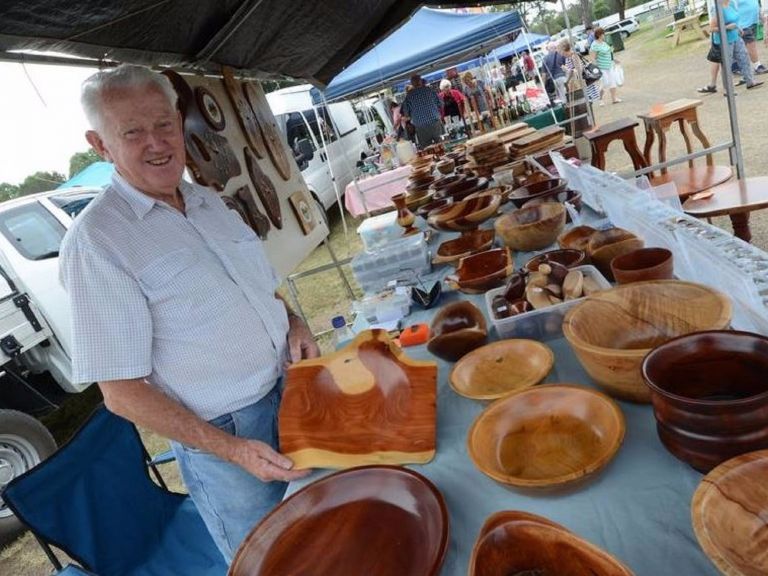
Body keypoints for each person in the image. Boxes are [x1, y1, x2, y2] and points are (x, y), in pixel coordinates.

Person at [59, 64, 319, 563]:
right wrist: (232, 450)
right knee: (269, 556)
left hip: (291, 391)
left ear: (180, 121)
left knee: (321, 525)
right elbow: (121, 393)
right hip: (226, 434)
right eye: (132, 132)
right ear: (100, 145)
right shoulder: (98, 241)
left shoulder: (205, 198)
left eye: (163, 124)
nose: (156, 143)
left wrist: (293, 322)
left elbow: (256, 288)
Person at [698, 0, 763, 93]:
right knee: (727, 64)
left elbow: (736, 18)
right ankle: (727, 89)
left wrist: (738, 27)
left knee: (744, 58)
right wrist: (727, 27)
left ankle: (750, 81)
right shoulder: (717, 8)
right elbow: (712, 28)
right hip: (724, 40)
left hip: (736, 37)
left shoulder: (732, 3)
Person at [400, 74, 444, 148]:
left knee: (428, 151)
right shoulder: (430, 90)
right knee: (442, 146)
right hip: (435, 122)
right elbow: (441, 104)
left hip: (421, 127)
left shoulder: (409, 96)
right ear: (420, 81)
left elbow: (406, 114)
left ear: (412, 83)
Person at [589, 27, 622, 105]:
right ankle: (600, 99)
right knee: (605, 83)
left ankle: (614, 98)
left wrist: (614, 59)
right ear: (599, 35)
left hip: (610, 65)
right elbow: (593, 58)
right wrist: (596, 67)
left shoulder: (604, 43)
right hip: (602, 68)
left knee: (612, 82)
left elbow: (609, 53)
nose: (604, 35)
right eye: (603, 33)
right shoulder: (594, 45)